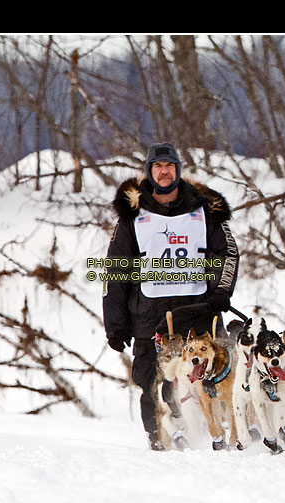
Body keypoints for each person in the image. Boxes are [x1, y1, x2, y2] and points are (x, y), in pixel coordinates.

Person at [102, 142, 239, 450]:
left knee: (208, 379)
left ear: (178, 170)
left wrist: (220, 291)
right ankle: (159, 446)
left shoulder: (205, 210)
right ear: (149, 173)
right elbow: (116, 272)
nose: (164, 172)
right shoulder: (133, 217)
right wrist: (115, 324)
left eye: (169, 166)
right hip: (149, 316)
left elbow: (227, 252)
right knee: (153, 384)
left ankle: (215, 442)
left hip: (198, 313)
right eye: (157, 167)